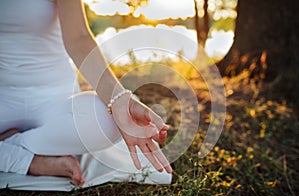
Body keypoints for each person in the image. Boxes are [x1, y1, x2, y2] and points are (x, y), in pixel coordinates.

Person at [0, 0, 172, 186]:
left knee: (106, 120)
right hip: (4, 102)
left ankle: (10, 144)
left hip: (55, 101)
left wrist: (120, 100)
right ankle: (31, 161)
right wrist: (28, 163)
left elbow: (79, 38)